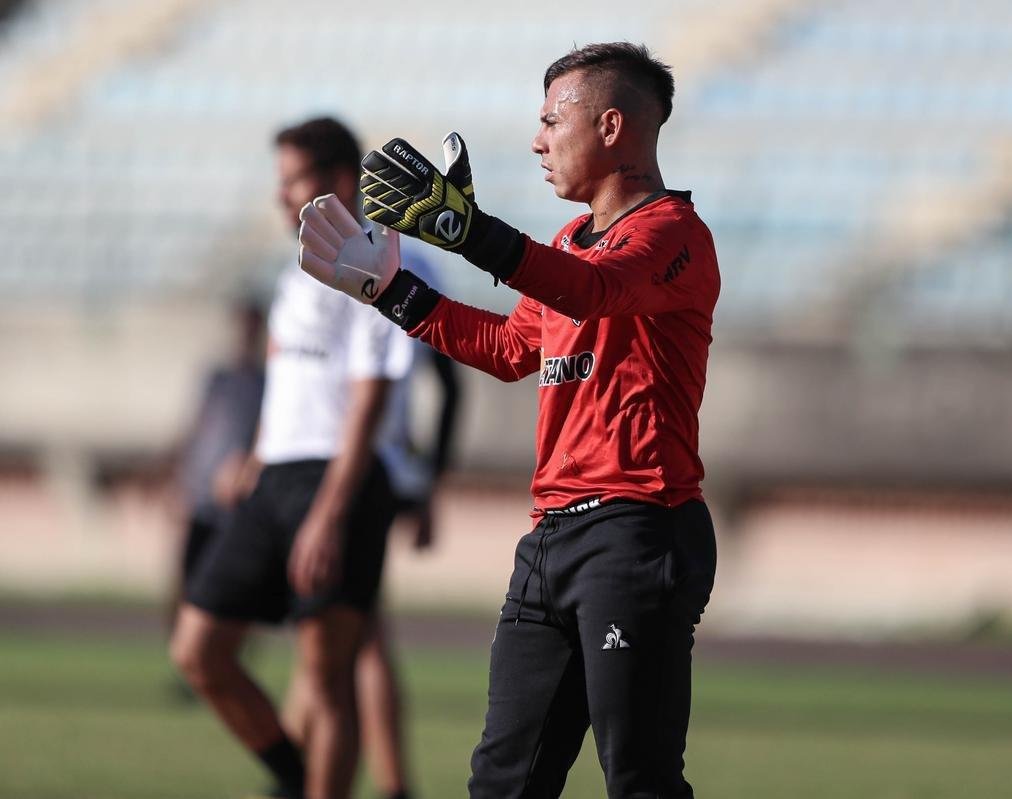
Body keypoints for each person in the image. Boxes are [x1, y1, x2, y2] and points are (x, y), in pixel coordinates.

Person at [298, 42, 719, 798]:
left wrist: (472, 232)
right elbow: (508, 346)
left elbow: (592, 293)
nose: (538, 139)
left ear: (613, 127)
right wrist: (391, 290)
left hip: (637, 530)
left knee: (641, 780)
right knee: (502, 781)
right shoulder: (568, 243)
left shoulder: (673, 235)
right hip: (552, 536)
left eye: (552, 119)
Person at [172, 116, 457, 799]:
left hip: (343, 481)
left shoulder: (382, 260)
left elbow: (371, 397)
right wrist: (255, 452)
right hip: (276, 476)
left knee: (330, 673)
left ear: (333, 183)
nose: (279, 196)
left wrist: (333, 511)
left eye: (292, 180)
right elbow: (285, 377)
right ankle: (299, 779)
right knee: (199, 649)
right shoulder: (296, 275)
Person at [167, 301, 265, 637]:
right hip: (201, 493)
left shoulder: (267, 382)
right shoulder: (217, 378)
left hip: (237, 501)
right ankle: (185, 653)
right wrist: (180, 482)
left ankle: (223, 652)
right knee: (186, 578)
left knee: (235, 588)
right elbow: (196, 430)